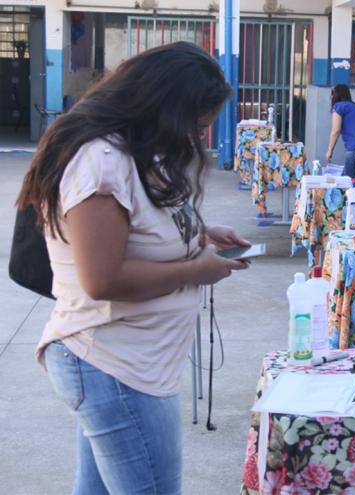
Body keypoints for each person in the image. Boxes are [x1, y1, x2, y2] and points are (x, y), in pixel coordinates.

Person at [16, 42, 250, 494]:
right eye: (195, 125)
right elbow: (102, 279)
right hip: (113, 368)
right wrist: (194, 271)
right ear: (160, 107)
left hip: (129, 367)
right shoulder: (101, 161)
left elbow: (143, 228)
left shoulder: (142, 152)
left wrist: (203, 233)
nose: (197, 137)